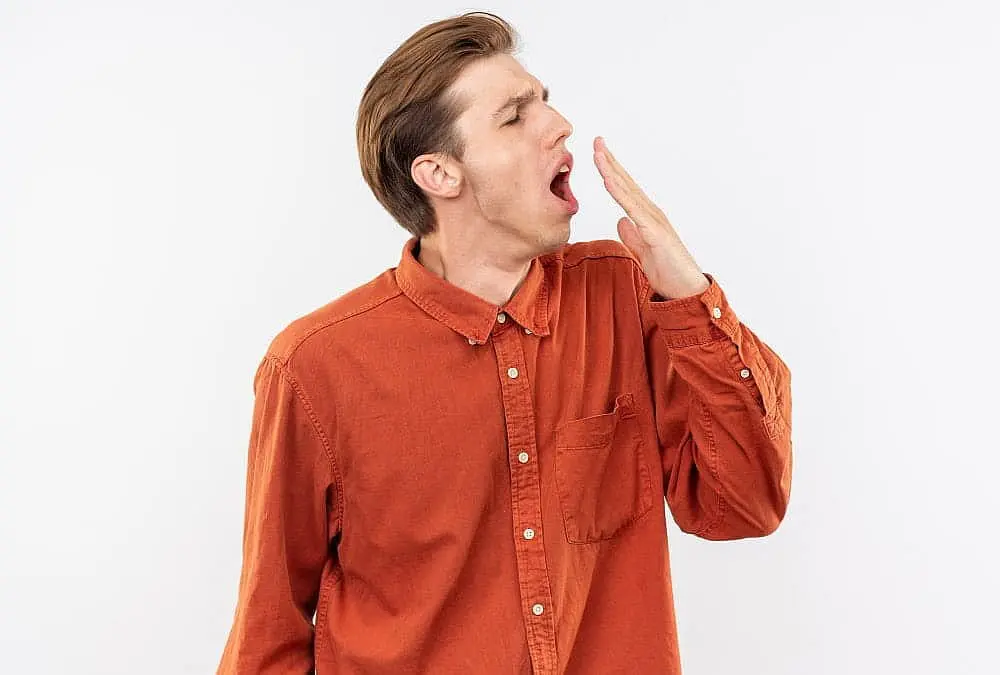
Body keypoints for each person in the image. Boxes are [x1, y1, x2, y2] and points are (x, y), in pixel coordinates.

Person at [216, 11, 793, 675]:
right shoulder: (315, 366)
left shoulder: (628, 294)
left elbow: (744, 504)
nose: (559, 124)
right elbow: (268, 636)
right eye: (515, 116)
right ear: (440, 174)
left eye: (543, 101)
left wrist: (691, 297)